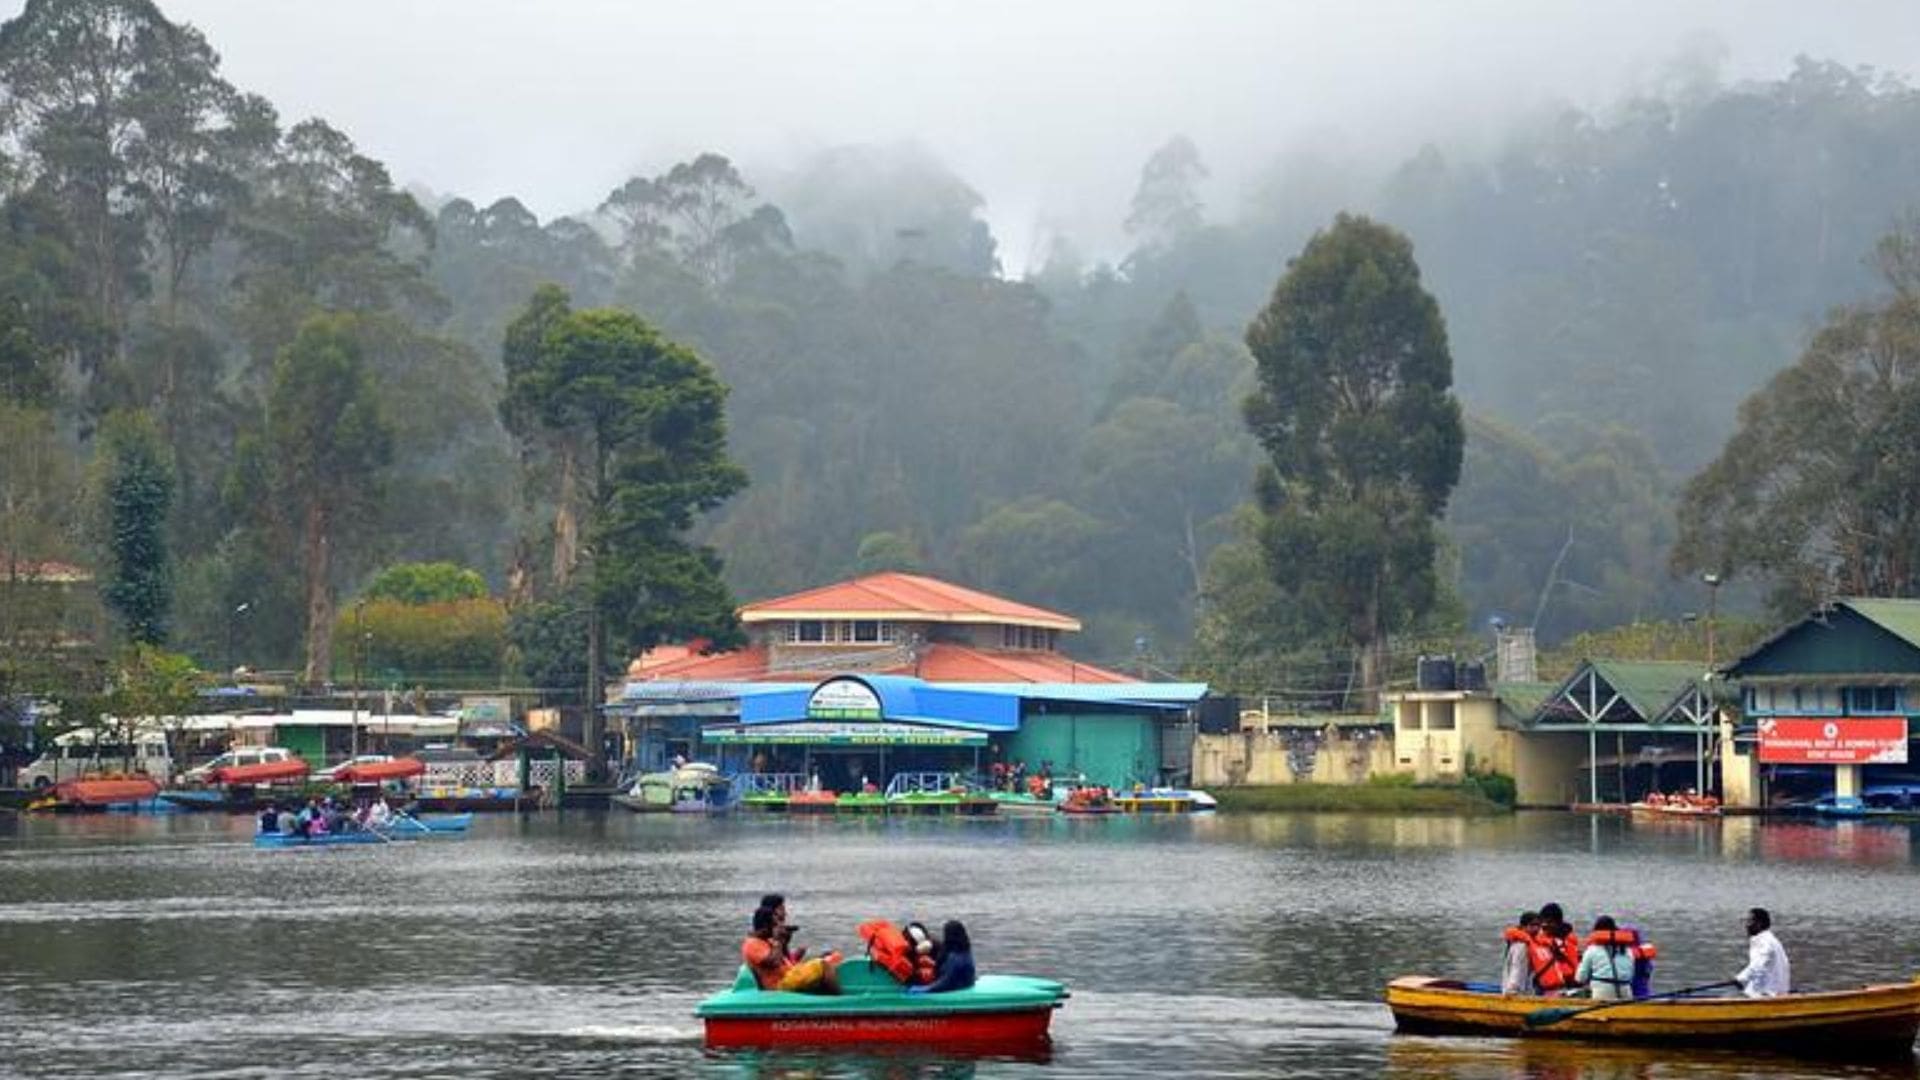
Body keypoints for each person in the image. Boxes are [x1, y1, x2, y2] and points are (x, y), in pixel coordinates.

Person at [743, 905, 840, 994]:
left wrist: (785, 943)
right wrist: (778, 940)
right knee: (824, 965)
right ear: (765, 927)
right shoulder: (752, 944)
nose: (779, 927)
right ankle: (836, 1001)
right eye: (775, 925)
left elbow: (785, 960)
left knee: (831, 957)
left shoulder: (767, 940)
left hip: (788, 975)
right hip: (778, 985)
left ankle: (824, 995)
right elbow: (773, 962)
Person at [1733, 907, 1791, 998]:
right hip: (1777, 991)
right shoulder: (1771, 939)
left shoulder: (1763, 942)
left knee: (1727, 995)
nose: (1746, 925)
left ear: (1759, 924)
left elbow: (1757, 966)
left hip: (1766, 993)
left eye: (1749, 921)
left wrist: (1739, 979)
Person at [1576, 916, 1637, 1001]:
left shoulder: (1592, 949)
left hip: (1602, 994)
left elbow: (1580, 978)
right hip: (1626, 992)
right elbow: (1631, 975)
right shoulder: (1627, 950)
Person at [910, 921, 976, 994]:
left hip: (957, 986)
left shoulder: (956, 958)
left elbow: (945, 983)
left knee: (916, 980)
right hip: (963, 981)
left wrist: (925, 989)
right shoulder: (963, 949)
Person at [1500, 912, 1541, 995]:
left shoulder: (1529, 944)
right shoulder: (1521, 946)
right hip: (1516, 993)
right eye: (1532, 925)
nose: (1536, 929)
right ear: (1523, 926)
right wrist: (1513, 990)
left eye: (1538, 925)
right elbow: (1516, 968)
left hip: (1525, 991)